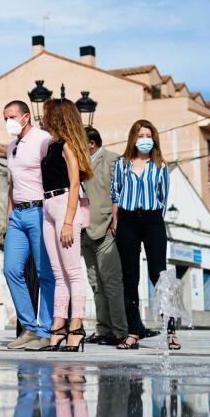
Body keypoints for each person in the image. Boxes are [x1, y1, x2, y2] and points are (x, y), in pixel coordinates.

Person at [111, 120, 174, 350]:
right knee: (130, 278)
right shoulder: (121, 164)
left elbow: (164, 198)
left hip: (152, 221)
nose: (144, 139)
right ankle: (133, 331)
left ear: (154, 139)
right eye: (140, 135)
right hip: (127, 220)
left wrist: (157, 221)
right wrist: (116, 220)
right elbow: (115, 192)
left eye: (148, 135)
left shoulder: (160, 166)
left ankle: (170, 329)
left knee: (159, 275)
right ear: (133, 139)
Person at [39, 98, 93, 351]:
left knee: (73, 272)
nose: (42, 116)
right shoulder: (51, 145)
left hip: (64, 206)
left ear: (58, 116)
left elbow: (74, 184)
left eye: (46, 113)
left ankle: (77, 326)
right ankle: (58, 325)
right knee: (58, 274)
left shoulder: (68, 146)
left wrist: (69, 221)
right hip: (48, 207)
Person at [1, 100, 56, 351]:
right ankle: (29, 327)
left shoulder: (43, 139)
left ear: (25, 116)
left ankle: (46, 330)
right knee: (11, 269)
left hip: (39, 211)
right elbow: (12, 183)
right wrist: (9, 214)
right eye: (5, 118)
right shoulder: (11, 146)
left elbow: (53, 174)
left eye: (11, 116)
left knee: (45, 273)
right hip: (18, 215)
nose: (8, 122)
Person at [81, 127, 127, 346]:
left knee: (111, 283)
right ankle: (103, 329)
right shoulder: (80, 162)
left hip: (106, 229)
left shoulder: (113, 160)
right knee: (95, 284)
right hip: (84, 230)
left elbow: (122, 192)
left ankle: (120, 331)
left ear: (91, 143)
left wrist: (116, 221)